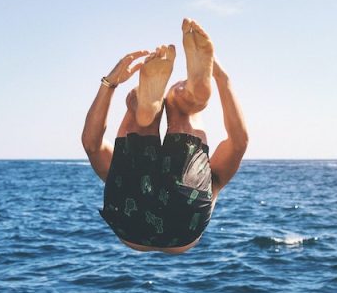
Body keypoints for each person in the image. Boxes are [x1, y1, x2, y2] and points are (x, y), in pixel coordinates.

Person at [81, 19, 248, 254]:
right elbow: (91, 144)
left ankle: (147, 107)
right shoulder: (112, 170)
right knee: (182, 110)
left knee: (146, 112)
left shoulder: (115, 171)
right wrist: (223, 79)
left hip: (130, 221)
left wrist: (109, 83)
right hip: (184, 222)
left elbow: (91, 144)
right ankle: (185, 99)